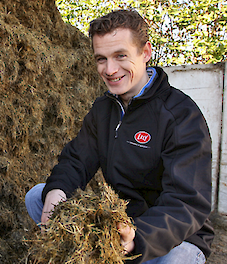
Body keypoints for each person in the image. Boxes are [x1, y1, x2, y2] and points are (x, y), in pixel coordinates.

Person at [25, 9, 214, 264]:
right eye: (101, 59)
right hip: (118, 225)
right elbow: (76, 161)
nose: (110, 69)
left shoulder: (180, 115)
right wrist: (57, 193)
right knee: (39, 196)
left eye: (120, 56)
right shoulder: (103, 110)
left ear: (145, 52)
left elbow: (187, 202)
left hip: (169, 237)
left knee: (178, 259)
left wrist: (137, 236)